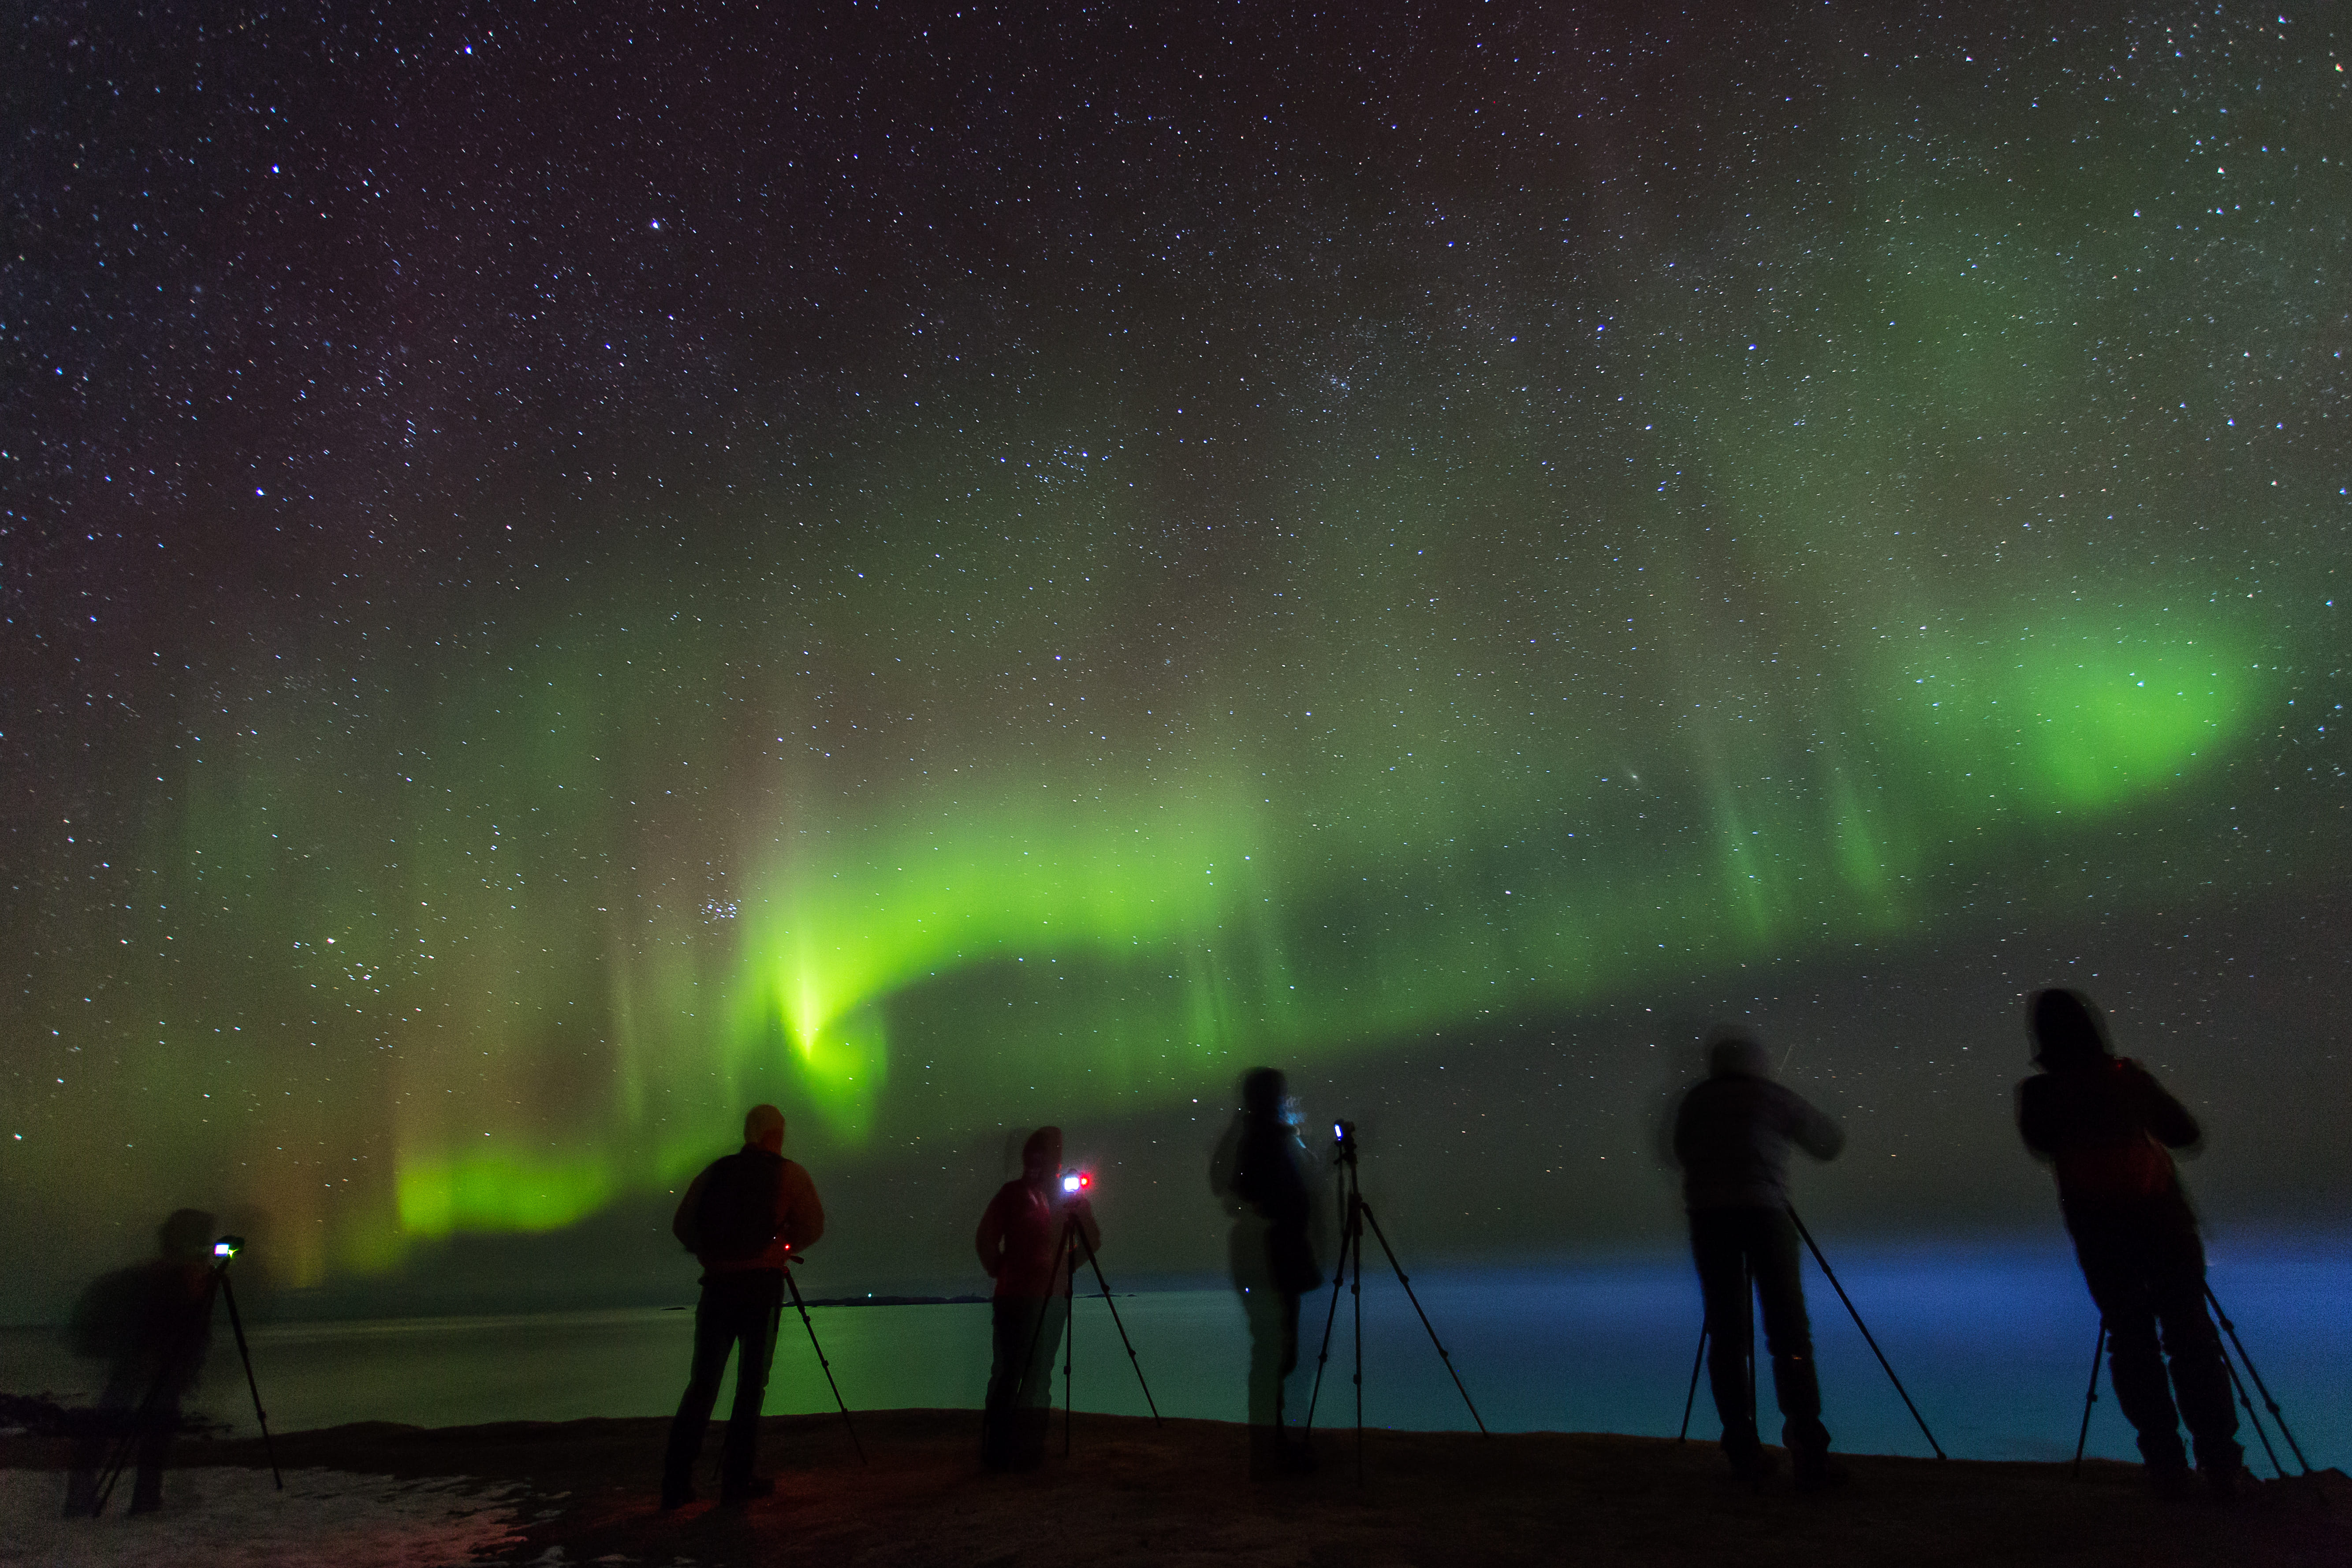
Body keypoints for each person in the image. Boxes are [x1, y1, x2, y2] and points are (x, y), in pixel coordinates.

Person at [2016, 987, 2244, 1500]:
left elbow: (2042, 1144)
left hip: (2100, 1236)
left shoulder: (2039, 1093)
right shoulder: (2127, 1079)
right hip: (2164, 1226)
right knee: (2191, 1339)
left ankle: (2165, 1466)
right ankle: (2222, 1464)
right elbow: (2184, 1133)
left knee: (2132, 1342)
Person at [1673, 1026, 1845, 1490]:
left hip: (1709, 1222)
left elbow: (1680, 1151)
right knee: (1788, 1330)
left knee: (1727, 1335)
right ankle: (1808, 1445)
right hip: (1766, 1216)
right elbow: (1826, 1142)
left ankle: (1741, 1448)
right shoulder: (1770, 1097)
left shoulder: (1696, 1103)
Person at [660, 1103, 826, 1509]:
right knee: (751, 1387)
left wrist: (710, 1252)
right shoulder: (790, 1174)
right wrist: (781, 1247)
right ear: (775, 1133)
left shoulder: (715, 1171)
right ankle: (737, 1481)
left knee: (702, 1384)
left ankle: (675, 1483)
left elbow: (682, 1224)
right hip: (760, 1287)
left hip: (716, 1287)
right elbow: (814, 1225)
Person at [62, 1209, 218, 1517]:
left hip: (145, 1363)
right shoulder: (167, 1278)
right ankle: (134, 1501)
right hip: (144, 1362)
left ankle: (101, 1499)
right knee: (140, 1426)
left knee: (117, 1424)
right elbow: (168, 1324)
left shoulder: (164, 1274)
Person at [1210, 1067, 1323, 1479]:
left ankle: (1272, 1446)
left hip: (1268, 1256)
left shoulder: (1255, 1136)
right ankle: (1270, 1452)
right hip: (1271, 1258)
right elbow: (1270, 1194)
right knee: (1274, 1353)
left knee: (1274, 1353)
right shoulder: (1264, 1140)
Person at [974, 1125, 1100, 1469]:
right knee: (1022, 1372)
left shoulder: (1042, 1197)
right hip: (1025, 1295)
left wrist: (1058, 1269)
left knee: (1021, 1372)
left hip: (1033, 1295)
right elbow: (986, 1239)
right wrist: (1061, 1268)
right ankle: (1015, 1450)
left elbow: (1092, 1238)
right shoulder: (1015, 1194)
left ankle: (1009, 1449)